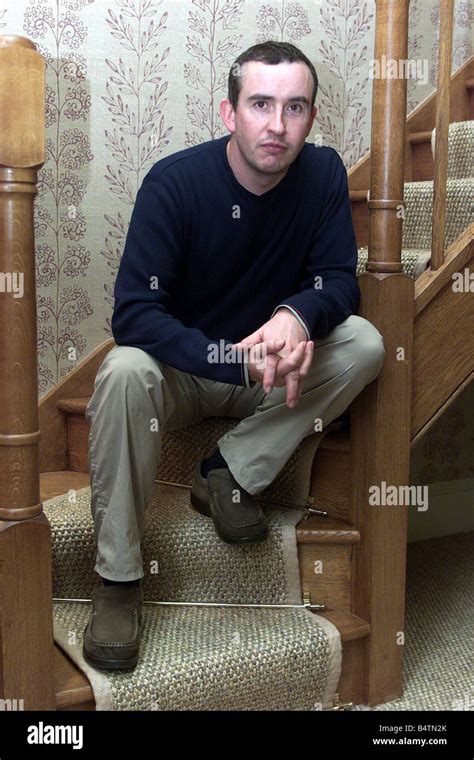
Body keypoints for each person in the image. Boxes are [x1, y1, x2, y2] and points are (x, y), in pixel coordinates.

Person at [82, 40, 385, 670]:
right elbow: (134, 315)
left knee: (365, 342)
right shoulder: (174, 183)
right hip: (186, 374)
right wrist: (230, 357)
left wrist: (294, 315)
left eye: (295, 107)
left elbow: (339, 280)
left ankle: (229, 468)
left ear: (311, 116)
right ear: (229, 113)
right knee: (120, 369)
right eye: (261, 104)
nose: (277, 125)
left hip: (271, 375)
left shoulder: (324, 173)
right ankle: (117, 580)